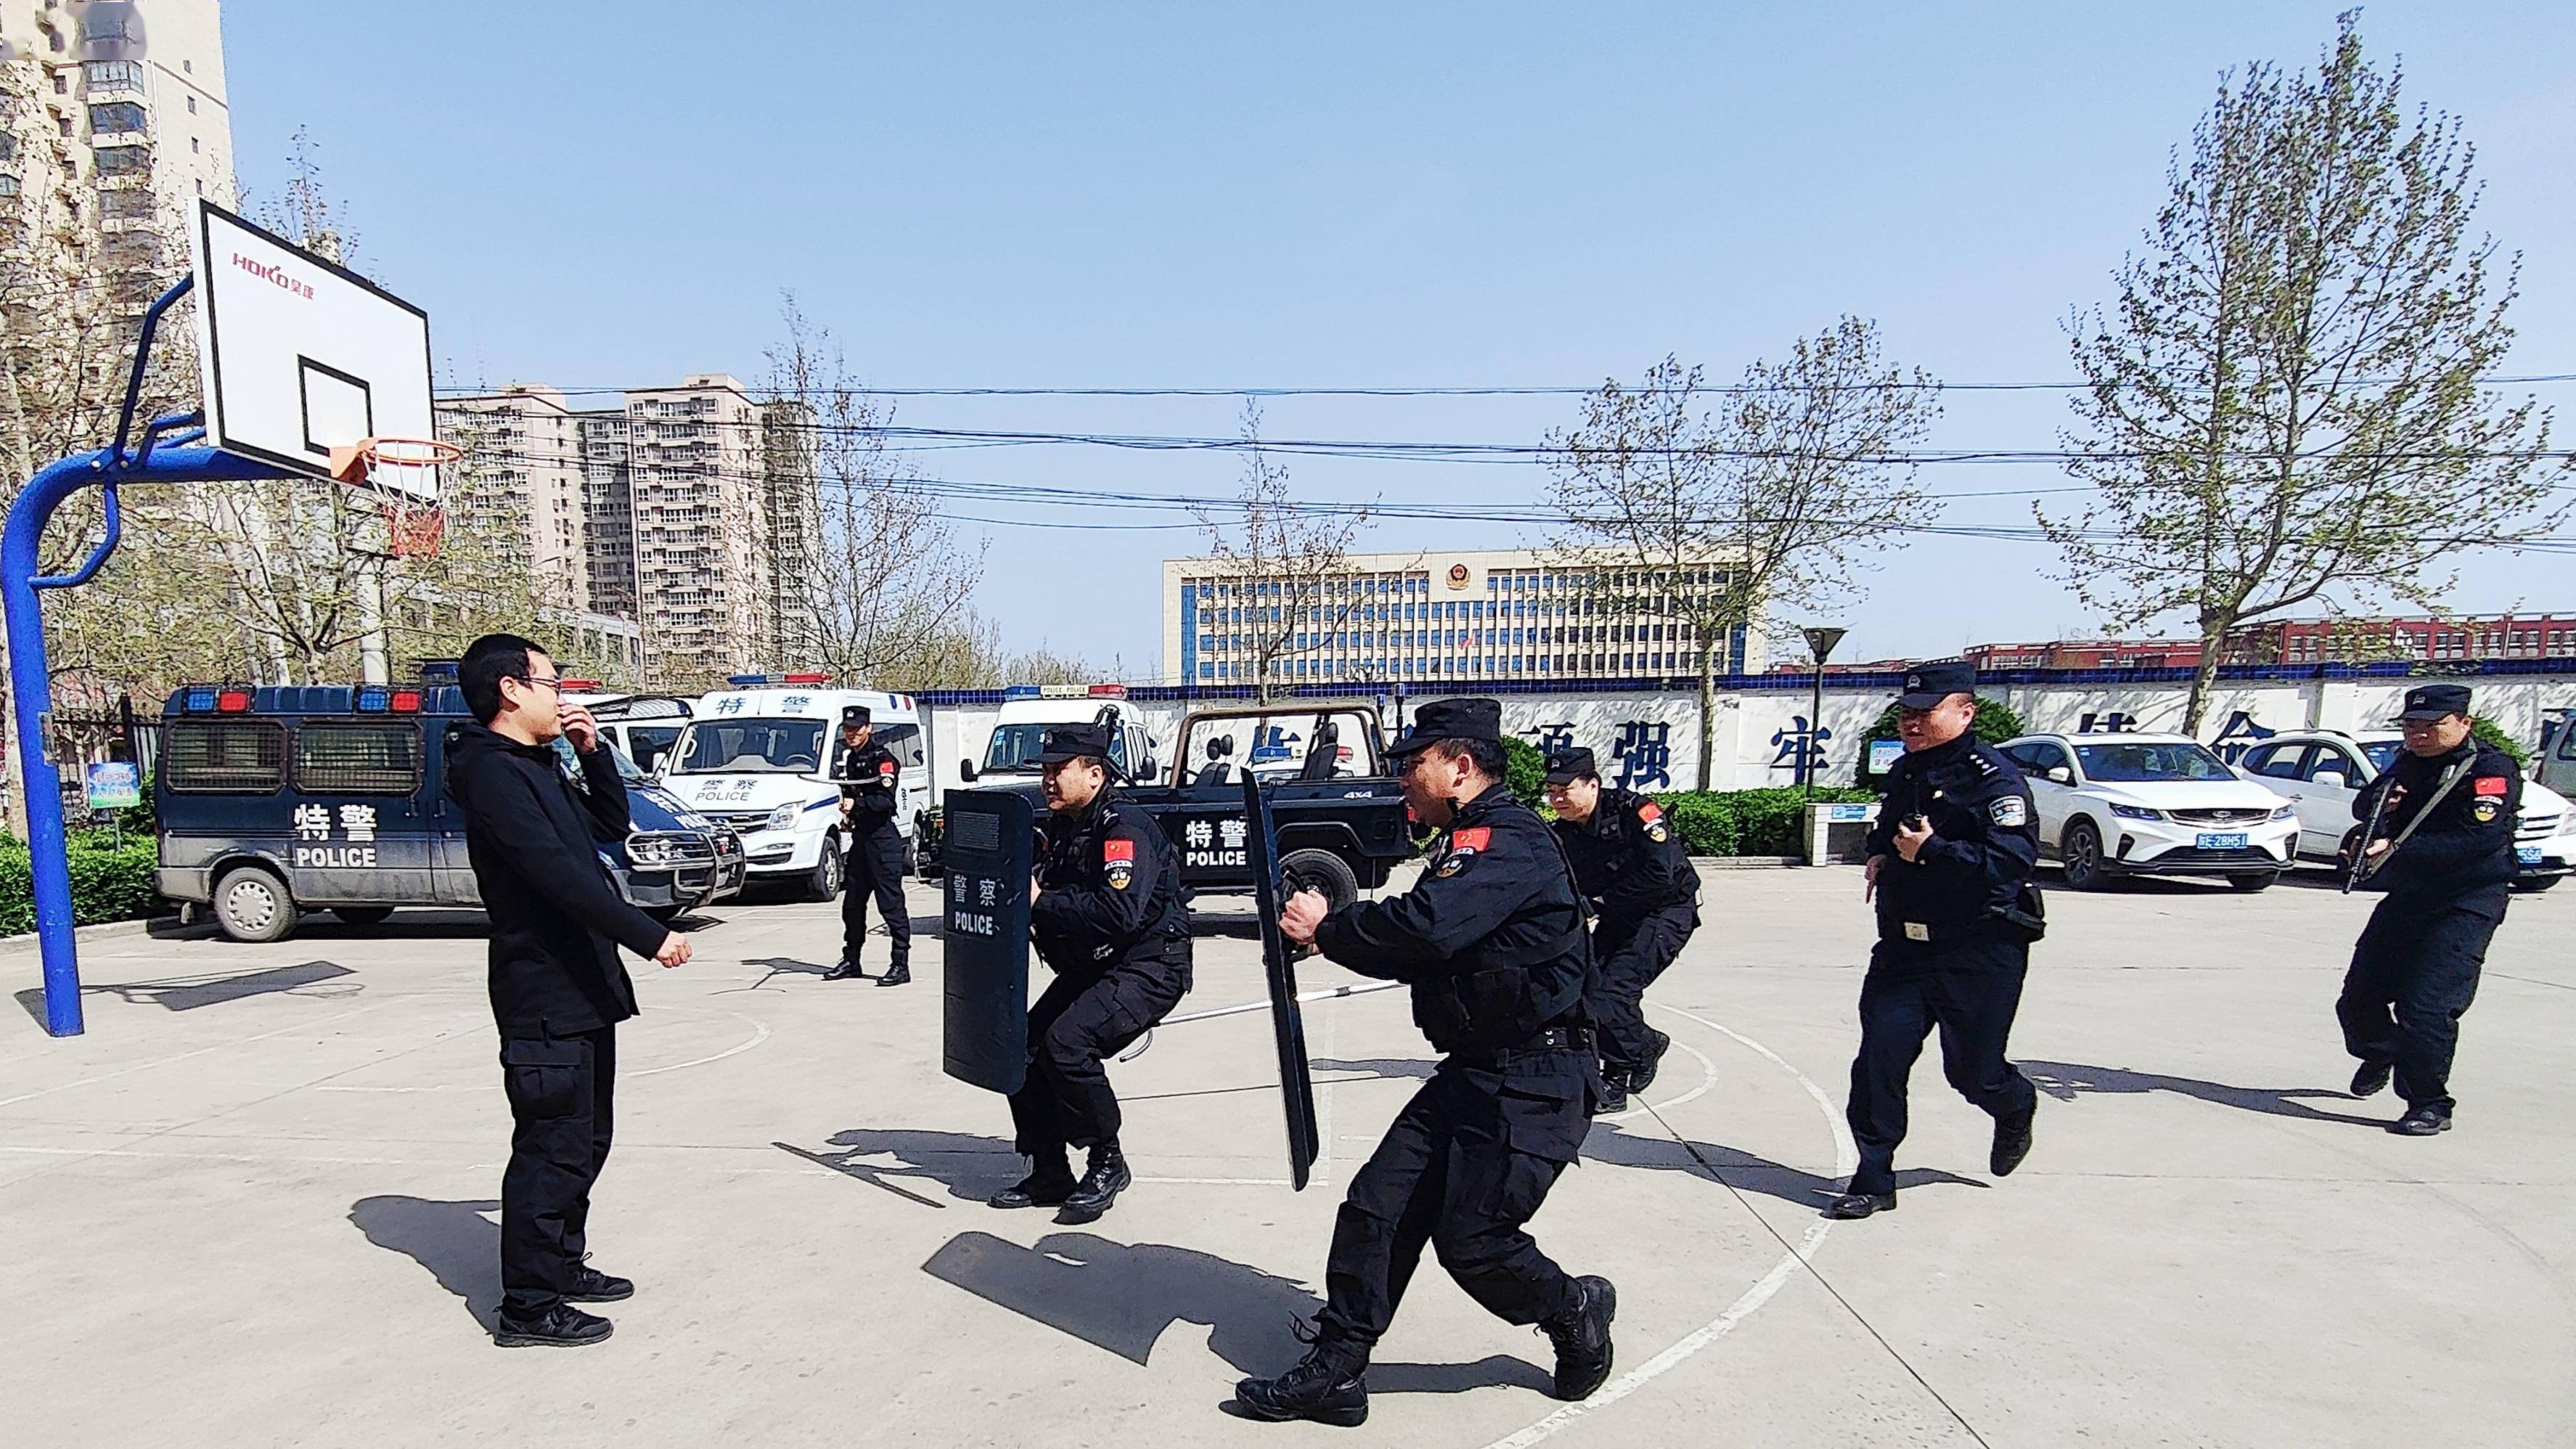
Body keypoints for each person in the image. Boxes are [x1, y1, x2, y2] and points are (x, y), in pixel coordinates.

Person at [1238, 698, 1615, 1428]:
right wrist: (1336, 938)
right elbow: (1437, 943)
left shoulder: (1505, 840)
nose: (1404, 779)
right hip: (1476, 1070)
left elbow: (1429, 929)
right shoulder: (1466, 841)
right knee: (1379, 1205)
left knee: (1475, 1243)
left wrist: (1332, 925)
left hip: (1537, 1079)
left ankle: (1575, 1308)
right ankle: (1339, 1370)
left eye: (1415, 764)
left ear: (1462, 766)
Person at [445, 633, 694, 1348]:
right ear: (511, 690)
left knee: (586, 1139)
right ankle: (527, 1305)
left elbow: (608, 829)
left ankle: (562, 1262)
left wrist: (593, 753)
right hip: (542, 992)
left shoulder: (535, 766)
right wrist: (648, 935)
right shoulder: (492, 775)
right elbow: (560, 876)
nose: (565, 697)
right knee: (551, 1146)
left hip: (583, 987)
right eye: (553, 684)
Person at [1830, 659, 2041, 1222]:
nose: (1913, 723)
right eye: (1906, 713)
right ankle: (1873, 1176)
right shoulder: (1906, 772)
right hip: (1903, 949)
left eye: (1927, 713)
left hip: (1977, 949)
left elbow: (2011, 861)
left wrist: (1931, 853)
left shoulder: (1993, 779)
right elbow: (1889, 825)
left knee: (1971, 1071)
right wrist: (1879, 850)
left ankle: (2013, 1102)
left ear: (1964, 712)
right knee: (1879, 1059)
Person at [988, 722, 1193, 1223]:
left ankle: (1106, 1161)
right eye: (1045, 771)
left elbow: (1117, 911)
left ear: (1095, 774)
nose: (1048, 781)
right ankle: (1048, 1168)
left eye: (1060, 770)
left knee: (1068, 1045)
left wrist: (1042, 901)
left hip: (1148, 965)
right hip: (1097, 963)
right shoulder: (1068, 825)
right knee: (1026, 1046)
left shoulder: (1124, 829)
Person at [2337, 684, 2519, 1136]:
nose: (2418, 736)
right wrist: (2377, 819)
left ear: (2463, 723)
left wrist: (2396, 848)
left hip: (2468, 896)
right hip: (2409, 893)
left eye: (2431, 727)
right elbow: (2368, 804)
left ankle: (2429, 1103)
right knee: (2360, 997)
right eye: (2411, 727)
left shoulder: (2489, 769)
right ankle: (2383, 1049)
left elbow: (2478, 839)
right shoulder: (2407, 761)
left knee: (2426, 1007)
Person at [1545, 747, 1699, 1112]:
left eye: (1566, 788)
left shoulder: (1636, 814)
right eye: (1551, 790)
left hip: (1665, 912)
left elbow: (1661, 874)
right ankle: (1642, 1045)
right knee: (1583, 986)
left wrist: (1598, 903)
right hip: (1618, 914)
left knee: (1613, 993)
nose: (1557, 798)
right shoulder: (1562, 833)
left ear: (1593, 785)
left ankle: (1620, 1073)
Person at [824, 703, 911, 987]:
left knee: (891, 905)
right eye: (848, 729)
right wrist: (849, 815)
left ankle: (900, 964)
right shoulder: (851, 760)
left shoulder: (883, 760)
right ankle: (852, 959)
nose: (851, 734)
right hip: (861, 841)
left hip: (883, 840)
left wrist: (857, 804)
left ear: (869, 728)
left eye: (857, 729)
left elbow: (885, 802)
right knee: (852, 905)